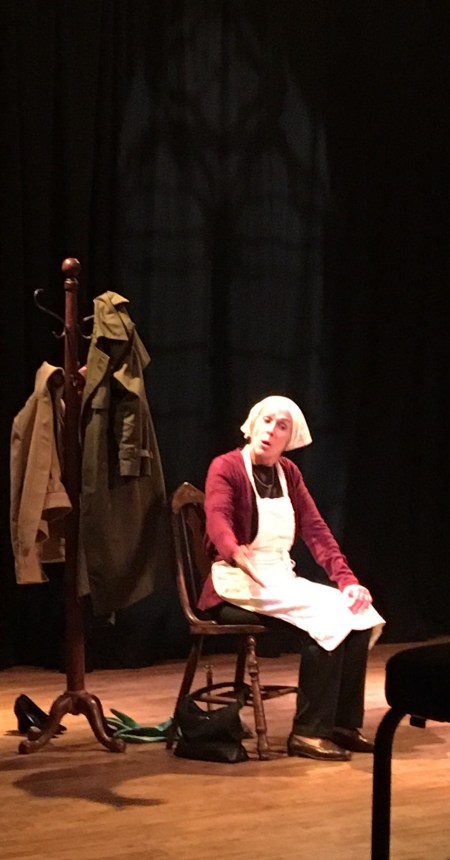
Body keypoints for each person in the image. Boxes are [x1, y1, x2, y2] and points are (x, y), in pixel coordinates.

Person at [198, 395, 385, 761]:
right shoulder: (226, 466)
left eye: (281, 426)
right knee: (328, 620)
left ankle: (342, 725)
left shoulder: (290, 474)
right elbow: (216, 515)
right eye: (267, 420)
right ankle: (308, 732)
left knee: (358, 612)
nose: (271, 430)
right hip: (236, 583)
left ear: (290, 438)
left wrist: (347, 581)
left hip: (281, 578)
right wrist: (234, 551)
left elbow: (316, 530)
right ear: (253, 423)